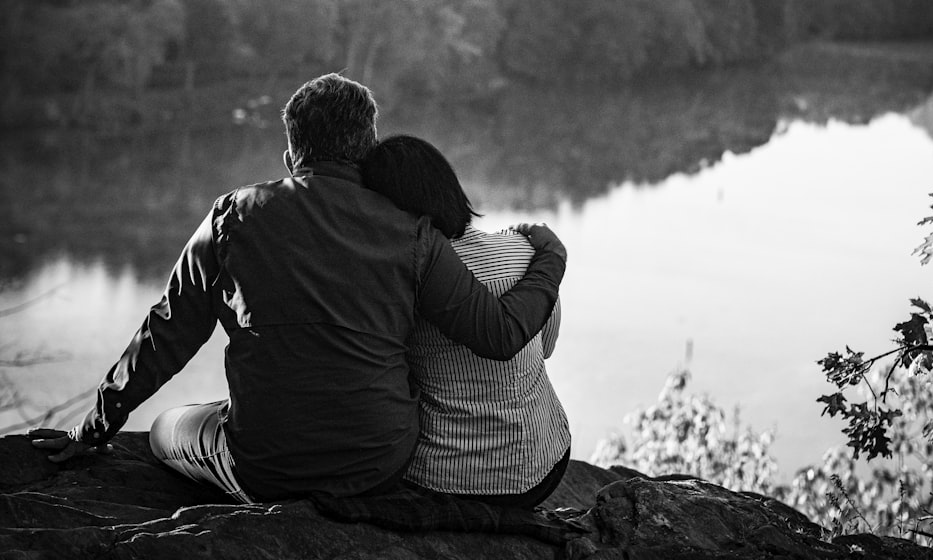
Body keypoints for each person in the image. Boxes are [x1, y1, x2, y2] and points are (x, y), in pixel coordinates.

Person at [30, 73, 567, 504]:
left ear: (291, 156)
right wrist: (549, 260)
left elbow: (167, 331)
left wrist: (95, 428)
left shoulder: (231, 218)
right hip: (380, 466)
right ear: (368, 149)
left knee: (166, 428)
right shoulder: (415, 235)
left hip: (266, 470)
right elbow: (499, 334)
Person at [361, 135, 571, 508]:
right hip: (547, 464)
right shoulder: (526, 251)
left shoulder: (398, 277)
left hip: (445, 480)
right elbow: (546, 348)